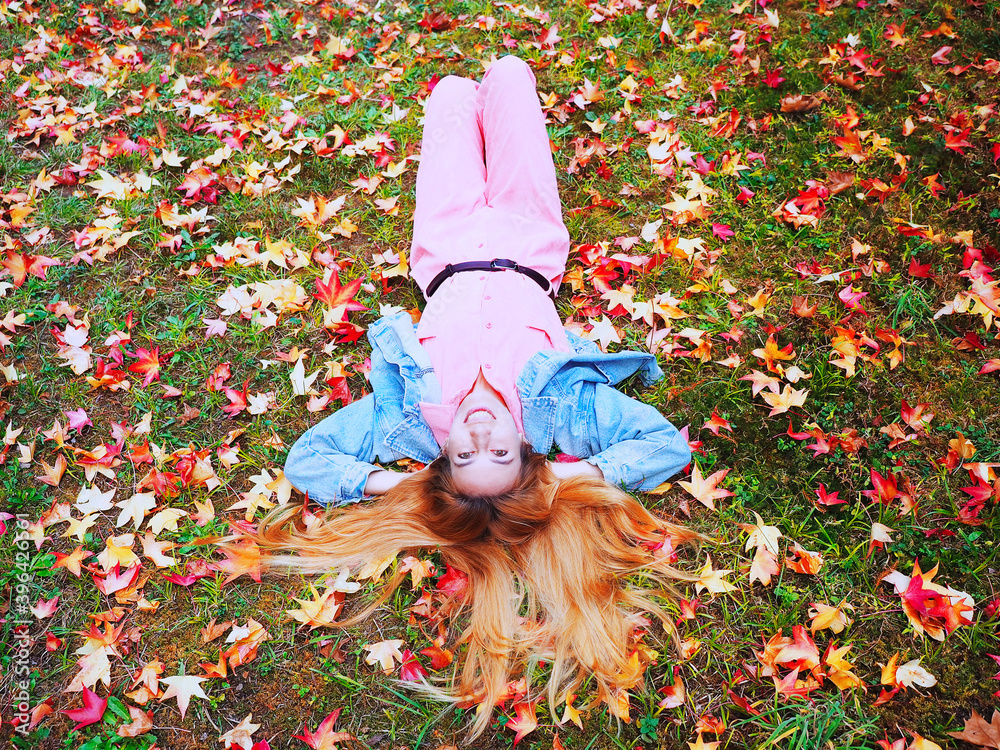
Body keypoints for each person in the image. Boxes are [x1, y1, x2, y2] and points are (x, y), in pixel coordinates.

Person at [253, 55, 700, 739]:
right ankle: (507, 78)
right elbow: (666, 446)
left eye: (467, 451)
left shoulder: (410, 425)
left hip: (446, 244)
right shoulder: (564, 416)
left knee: (452, 95)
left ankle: (461, 94)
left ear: (444, 457)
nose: (481, 428)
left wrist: (380, 486)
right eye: (501, 450)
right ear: (527, 454)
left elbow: (308, 459)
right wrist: (572, 476)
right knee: (513, 74)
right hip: (531, 240)